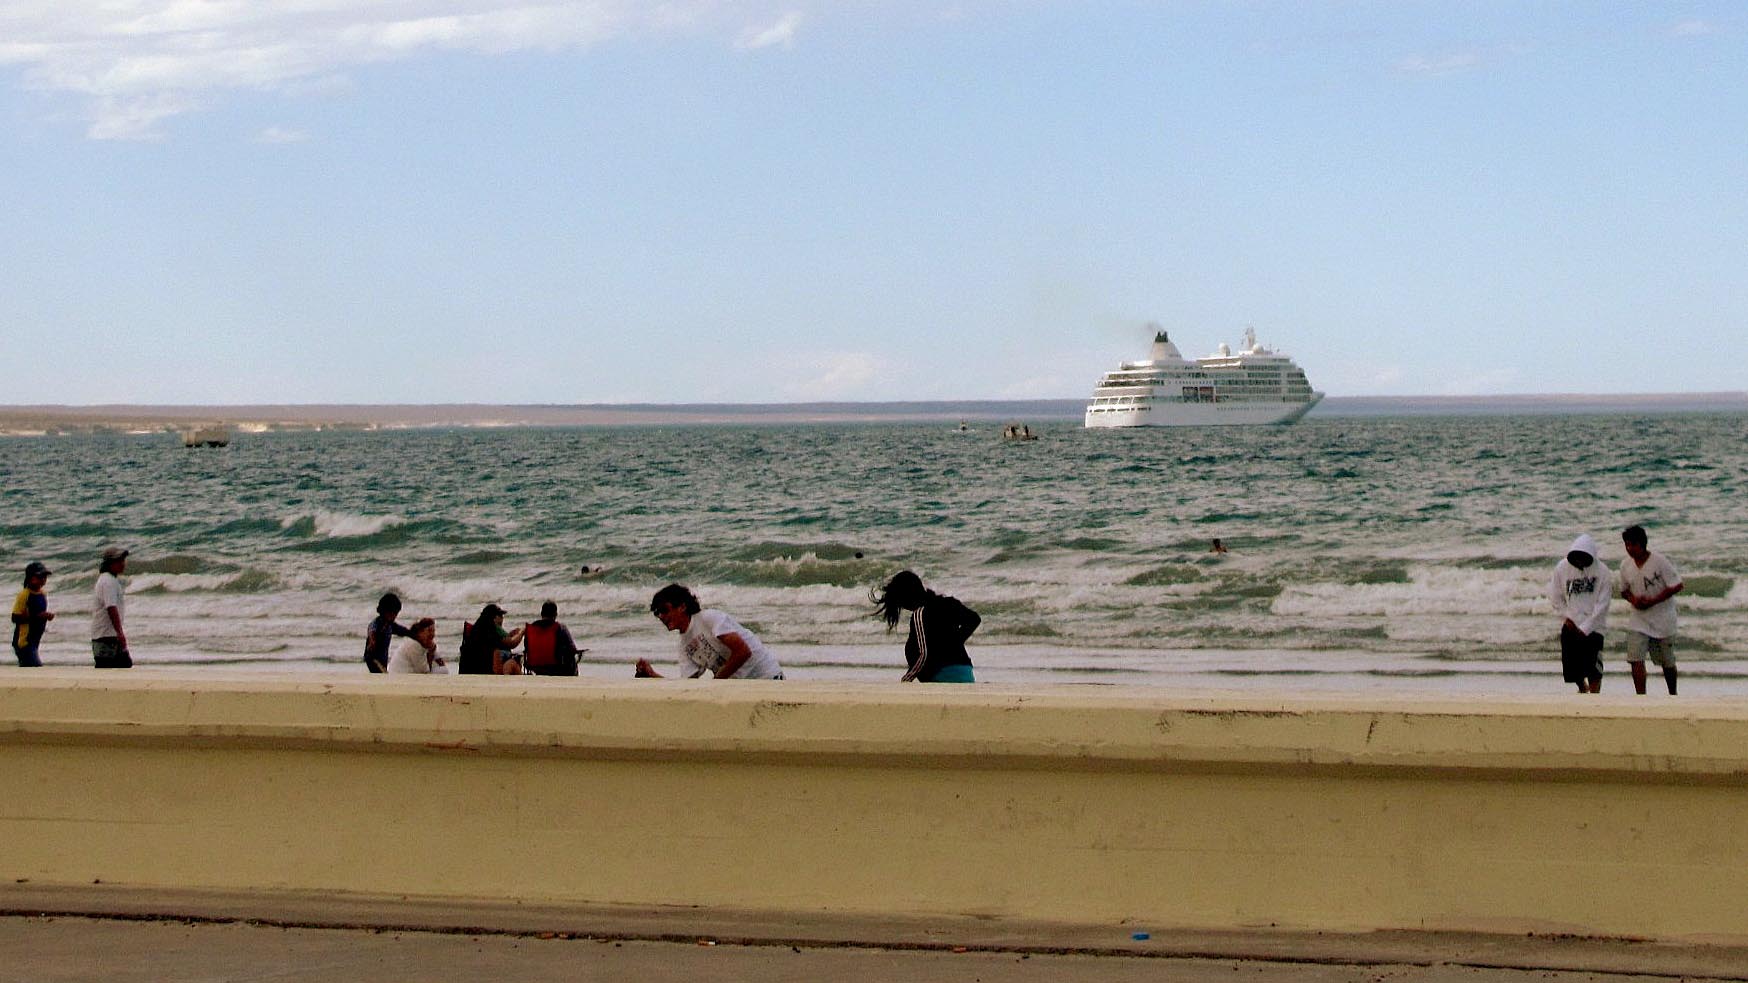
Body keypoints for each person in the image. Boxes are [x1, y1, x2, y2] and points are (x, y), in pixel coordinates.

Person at [636, 584, 783, 679]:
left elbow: (743, 652)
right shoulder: (684, 646)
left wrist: (716, 682)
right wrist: (652, 675)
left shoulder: (710, 619)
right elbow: (686, 688)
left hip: (768, 677)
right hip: (741, 689)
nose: (661, 616)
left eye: (664, 610)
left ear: (682, 606)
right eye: (657, 613)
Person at [870, 570, 980, 683]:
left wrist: (907, 679)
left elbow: (923, 654)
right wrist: (954, 643)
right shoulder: (948, 603)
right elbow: (974, 619)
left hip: (941, 675)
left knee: (913, 646)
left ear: (906, 597)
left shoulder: (920, 614)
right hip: (966, 672)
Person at [1618, 525, 1684, 696]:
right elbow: (1624, 590)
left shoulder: (1659, 561)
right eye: (1627, 545)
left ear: (1642, 544)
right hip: (1638, 619)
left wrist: (1654, 600)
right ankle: (1641, 696)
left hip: (1663, 619)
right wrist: (1634, 600)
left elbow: (1677, 585)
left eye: (1633, 545)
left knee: (1667, 661)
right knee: (1635, 659)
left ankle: (1673, 694)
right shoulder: (1625, 565)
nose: (1629, 549)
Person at [1549, 534, 1611, 694]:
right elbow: (1556, 598)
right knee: (1572, 667)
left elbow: (1602, 604)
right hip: (1571, 624)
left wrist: (1586, 628)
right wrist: (1567, 617)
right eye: (1577, 557)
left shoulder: (1603, 571)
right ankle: (1582, 688)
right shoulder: (1561, 568)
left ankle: (1595, 695)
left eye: (1584, 557)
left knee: (1594, 667)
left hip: (1594, 627)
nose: (1580, 561)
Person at [91, 546, 132, 669]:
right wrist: (120, 633)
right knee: (110, 668)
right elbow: (111, 608)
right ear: (109, 564)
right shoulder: (108, 581)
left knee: (123, 665)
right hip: (106, 636)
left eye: (122, 560)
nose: (122, 564)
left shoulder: (110, 580)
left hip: (108, 635)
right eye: (118, 561)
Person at [458, 603, 525, 675]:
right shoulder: (493, 627)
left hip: (469, 669)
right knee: (512, 663)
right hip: (486, 669)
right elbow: (512, 643)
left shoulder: (478, 628)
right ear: (494, 617)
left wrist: (509, 635)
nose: (502, 619)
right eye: (500, 616)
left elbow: (498, 641)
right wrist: (522, 632)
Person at [522, 600, 582, 677]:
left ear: (541, 614)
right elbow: (572, 649)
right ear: (555, 614)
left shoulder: (531, 629)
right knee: (571, 656)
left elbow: (526, 647)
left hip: (535, 666)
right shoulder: (560, 628)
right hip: (556, 667)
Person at [11, 561, 54, 667]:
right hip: (24, 641)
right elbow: (15, 617)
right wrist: (38, 617)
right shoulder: (24, 595)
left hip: (35, 640)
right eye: (40, 576)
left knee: (29, 666)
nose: (43, 579)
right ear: (31, 578)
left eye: (45, 576)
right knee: (35, 666)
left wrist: (46, 617)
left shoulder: (43, 594)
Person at [363, 593, 413, 673]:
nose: (394, 616)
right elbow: (371, 629)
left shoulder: (390, 625)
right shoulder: (377, 623)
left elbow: (401, 630)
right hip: (373, 658)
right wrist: (372, 640)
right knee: (381, 673)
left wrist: (412, 633)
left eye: (396, 614)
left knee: (382, 672)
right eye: (392, 614)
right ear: (384, 611)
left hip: (382, 657)